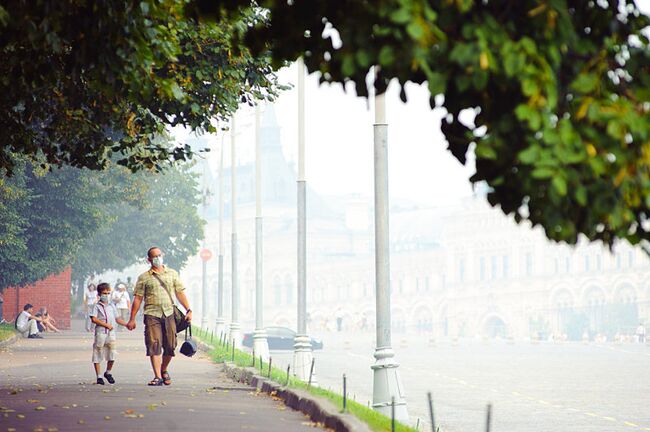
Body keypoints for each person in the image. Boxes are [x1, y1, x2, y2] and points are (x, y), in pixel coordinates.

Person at [126, 247, 192, 386]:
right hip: (152, 314)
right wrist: (132, 319)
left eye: (159, 255)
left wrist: (188, 309)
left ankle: (163, 369)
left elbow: (180, 293)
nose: (158, 258)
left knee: (170, 345)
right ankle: (157, 377)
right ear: (149, 260)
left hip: (169, 313)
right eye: (154, 256)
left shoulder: (172, 274)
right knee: (154, 344)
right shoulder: (144, 278)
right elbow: (137, 299)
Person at [90, 283, 127, 385]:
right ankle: (99, 376)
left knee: (112, 353)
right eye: (104, 293)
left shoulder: (112, 306)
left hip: (111, 333)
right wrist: (105, 325)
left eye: (108, 293)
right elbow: (93, 319)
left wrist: (127, 324)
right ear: (99, 294)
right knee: (97, 352)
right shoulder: (96, 306)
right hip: (101, 332)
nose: (106, 295)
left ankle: (108, 372)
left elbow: (117, 318)